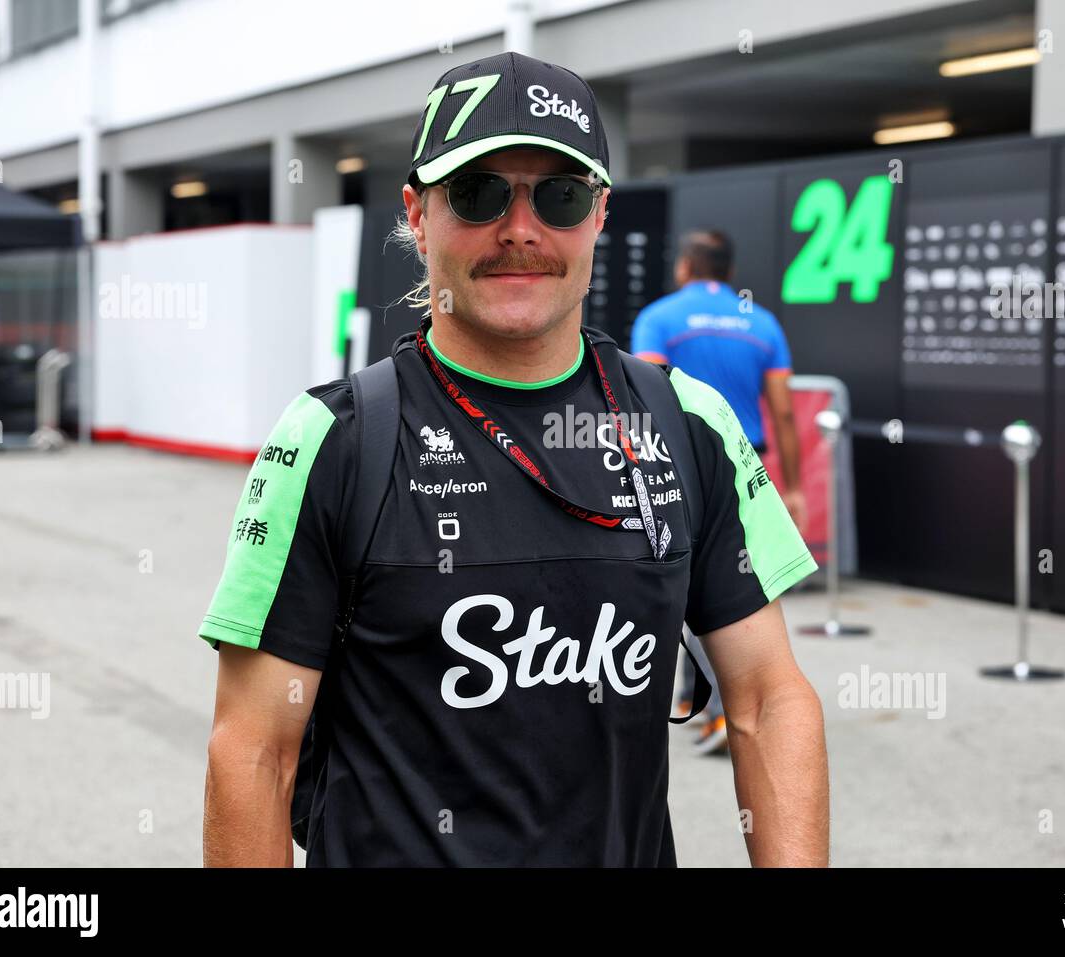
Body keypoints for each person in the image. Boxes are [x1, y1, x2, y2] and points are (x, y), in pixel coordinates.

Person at [197, 51, 827, 867]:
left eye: (558, 195)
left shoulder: (687, 420)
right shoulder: (330, 439)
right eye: (478, 192)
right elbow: (254, 750)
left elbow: (769, 700)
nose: (520, 230)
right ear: (417, 213)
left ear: (599, 213)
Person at [632, 231, 807, 755]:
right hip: (742, 463)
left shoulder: (660, 316)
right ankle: (695, 697)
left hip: (674, 464)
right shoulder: (764, 322)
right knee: (736, 586)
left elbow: (643, 394)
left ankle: (722, 712)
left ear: (686, 267)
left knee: (693, 587)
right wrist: (795, 486)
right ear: (729, 273)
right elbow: (782, 410)